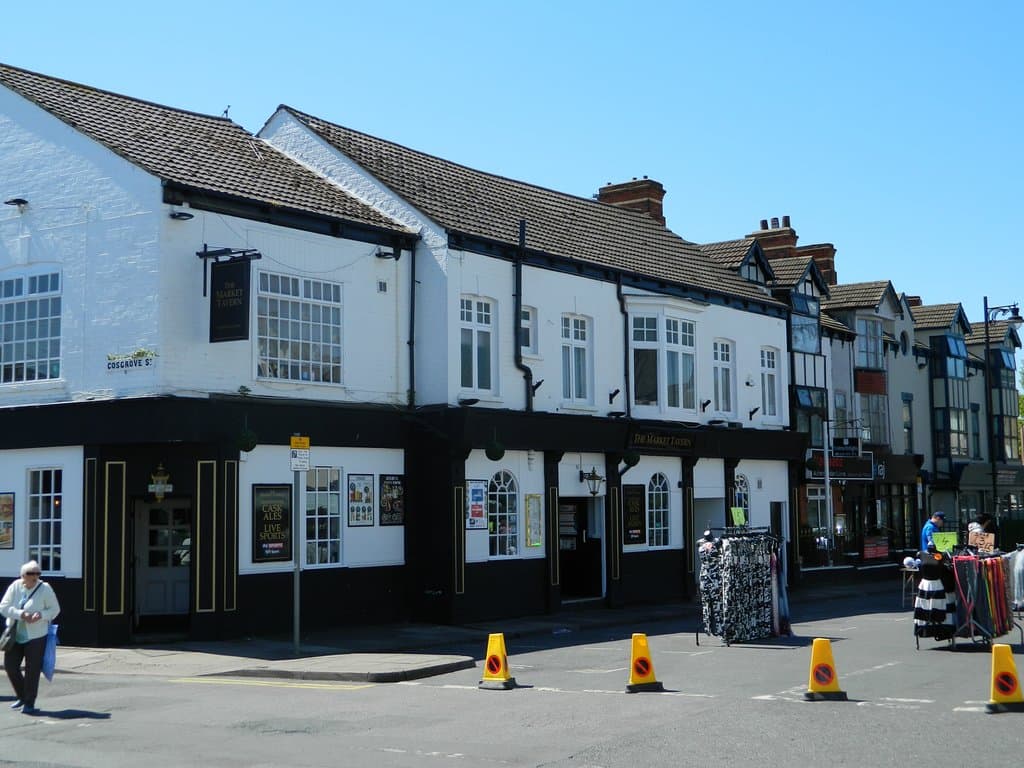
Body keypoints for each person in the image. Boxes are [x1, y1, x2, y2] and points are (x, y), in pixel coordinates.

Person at [1, 561, 60, 715]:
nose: (35, 576)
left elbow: (55, 609)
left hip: (36, 635)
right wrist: (21, 614)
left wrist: (41, 615)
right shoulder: (15, 586)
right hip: (15, 634)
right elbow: (3, 607)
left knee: (32, 670)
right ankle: (22, 695)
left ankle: (29, 702)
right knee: (10, 666)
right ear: (22, 576)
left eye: (37, 573)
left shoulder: (45, 588)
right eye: (31, 573)